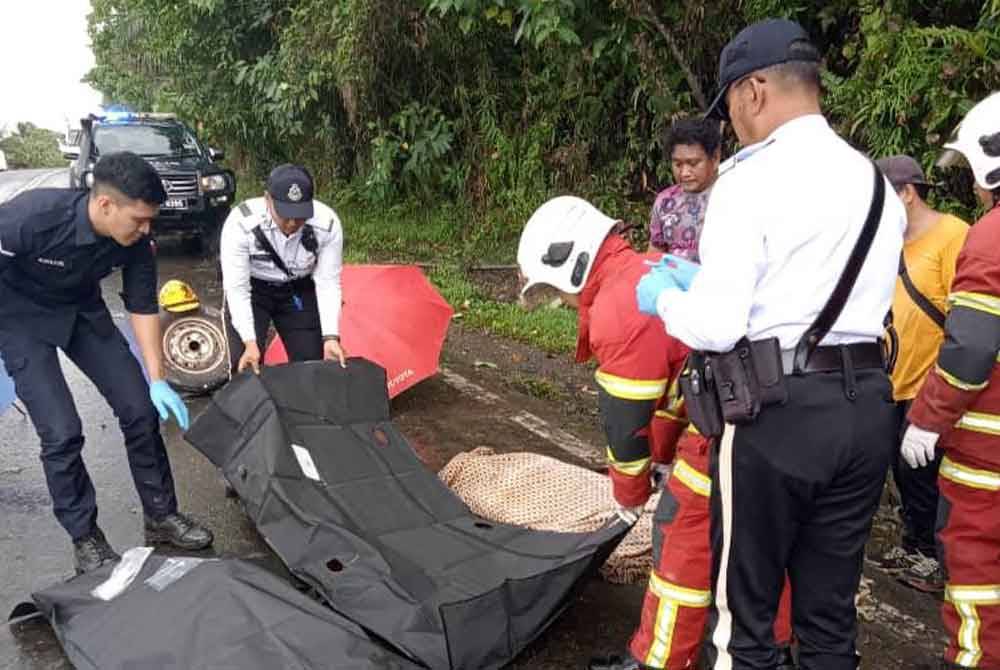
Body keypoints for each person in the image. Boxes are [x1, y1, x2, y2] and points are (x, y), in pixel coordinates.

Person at [637, 19, 905, 670]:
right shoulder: (875, 185)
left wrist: (669, 299)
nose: (730, 123)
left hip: (777, 413)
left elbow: (718, 327)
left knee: (746, 619)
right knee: (828, 616)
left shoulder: (749, 182)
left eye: (728, 104)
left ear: (754, 90)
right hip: (867, 409)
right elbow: (826, 296)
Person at [516, 196, 793, 670]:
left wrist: (630, 492)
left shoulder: (617, 309)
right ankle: (776, 646)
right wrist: (663, 457)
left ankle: (660, 660)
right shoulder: (645, 268)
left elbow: (626, 424)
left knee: (682, 536)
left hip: (731, 430)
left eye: (554, 290)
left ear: (572, 265)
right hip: (766, 417)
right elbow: (670, 395)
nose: (560, 303)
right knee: (760, 540)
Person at [0, 152, 214, 575]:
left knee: (139, 408)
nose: (145, 228)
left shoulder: (134, 240)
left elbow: (142, 305)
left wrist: (157, 378)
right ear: (104, 205)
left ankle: (161, 515)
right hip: (20, 319)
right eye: (139, 219)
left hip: (82, 312)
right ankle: (86, 537)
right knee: (61, 431)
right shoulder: (29, 217)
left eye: (150, 220)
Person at [901, 91, 1000, 670]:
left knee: (977, 575)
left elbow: (969, 349)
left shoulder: (989, 237)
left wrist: (927, 419)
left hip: (987, 459)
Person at [867, 155, 968, 594]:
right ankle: (915, 544)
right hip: (894, 378)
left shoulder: (953, 235)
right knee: (901, 468)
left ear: (907, 192)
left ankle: (934, 556)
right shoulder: (888, 244)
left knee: (927, 472)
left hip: (932, 381)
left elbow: (964, 318)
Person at [220, 164, 346, 375]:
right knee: (244, 364)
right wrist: (250, 343)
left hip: (298, 290)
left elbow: (327, 282)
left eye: (300, 215)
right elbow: (237, 288)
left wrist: (331, 337)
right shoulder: (241, 223)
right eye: (285, 214)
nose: (291, 223)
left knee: (310, 364)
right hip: (253, 289)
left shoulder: (328, 224)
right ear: (267, 199)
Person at [647, 118, 722, 261]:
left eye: (693, 163)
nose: (685, 173)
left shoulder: (729, 195)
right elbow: (655, 251)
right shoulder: (664, 202)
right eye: (678, 164)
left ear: (715, 158)